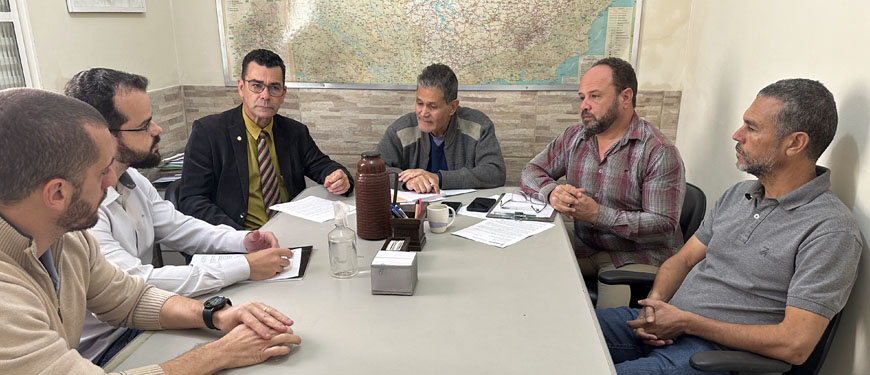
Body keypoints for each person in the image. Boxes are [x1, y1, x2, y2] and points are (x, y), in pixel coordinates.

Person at [0, 88, 300, 374]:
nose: (110, 183)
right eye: (100, 173)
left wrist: (215, 314)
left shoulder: (68, 238)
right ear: (57, 194)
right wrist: (220, 354)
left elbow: (128, 297)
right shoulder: (6, 302)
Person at [596, 79, 863, 374]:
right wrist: (654, 307)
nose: (737, 135)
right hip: (667, 326)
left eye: (752, 127)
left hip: (714, 357)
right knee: (553, 330)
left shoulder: (830, 229)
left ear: (795, 143)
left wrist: (686, 322)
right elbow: (683, 260)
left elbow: (795, 345)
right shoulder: (738, 195)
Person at [520, 57, 685, 308]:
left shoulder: (658, 151)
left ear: (625, 97)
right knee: (529, 277)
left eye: (595, 96)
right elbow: (531, 170)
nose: (584, 106)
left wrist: (597, 214)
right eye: (582, 97)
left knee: (605, 330)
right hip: (585, 246)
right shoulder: (574, 137)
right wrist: (551, 192)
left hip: (634, 257)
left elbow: (664, 224)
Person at [179, 49, 353, 230]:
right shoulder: (209, 132)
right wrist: (241, 237)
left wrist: (340, 177)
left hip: (291, 231)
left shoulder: (294, 132)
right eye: (256, 86)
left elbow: (323, 166)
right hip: (238, 238)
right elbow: (192, 200)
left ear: (283, 93)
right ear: (241, 87)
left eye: (274, 88)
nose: (265, 95)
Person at [377, 63, 506, 193]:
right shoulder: (400, 129)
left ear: (452, 107)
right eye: (419, 103)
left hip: (463, 207)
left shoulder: (479, 126)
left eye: (432, 106)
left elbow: (495, 172)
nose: (423, 113)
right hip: (415, 210)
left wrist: (439, 178)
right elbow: (374, 170)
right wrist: (407, 182)